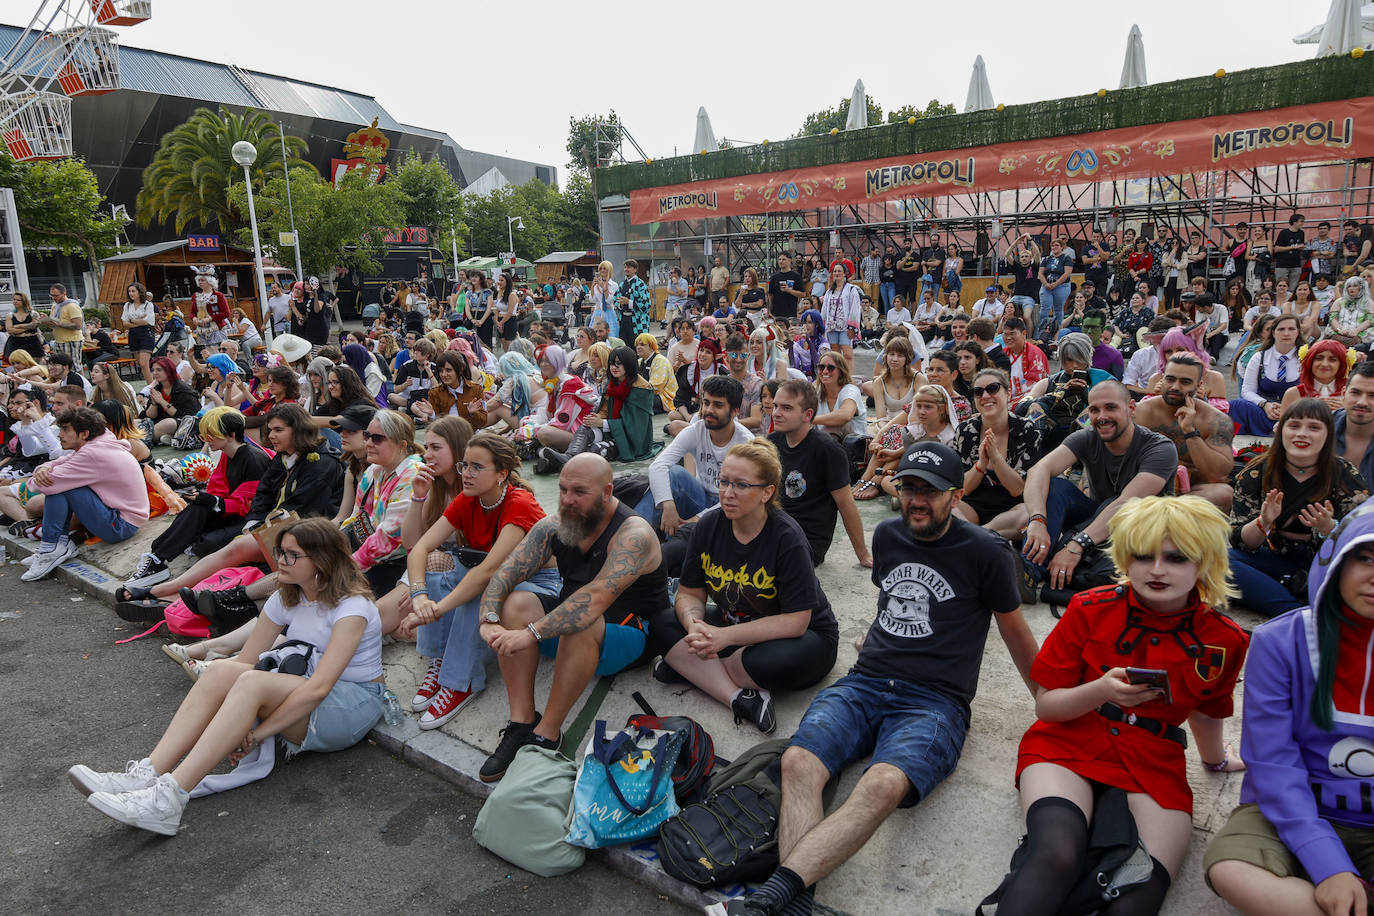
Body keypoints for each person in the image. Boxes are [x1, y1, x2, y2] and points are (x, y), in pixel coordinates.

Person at [718, 442, 1039, 916]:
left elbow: (1014, 632)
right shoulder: (889, 535)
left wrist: (1046, 698)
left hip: (935, 701)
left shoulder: (985, 552)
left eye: (930, 490)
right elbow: (891, 599)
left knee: (882, 785)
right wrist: (876, 638)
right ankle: (793, 903)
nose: (917, 499)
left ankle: (772, 896)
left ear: (955, 494)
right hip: (866, 682)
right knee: (800, 764)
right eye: (909, 487)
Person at [987, 496, 1247, 916]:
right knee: (1056, 854)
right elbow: (1047, 707)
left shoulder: (1226, 638)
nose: (1157, 570)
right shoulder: (1090, 608)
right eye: (1143, 556)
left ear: (1205, 563)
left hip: (1154, 758)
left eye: (1177, 558)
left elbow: (1207, 710)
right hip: (1068, 741)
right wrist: (1101, 691)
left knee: (1138, 893)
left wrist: (1216, 762)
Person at [70, 518, 385, 837]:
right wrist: (239, 716)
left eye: (291, 555)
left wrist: (259, 734)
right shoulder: (288, 594)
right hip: (304, 686)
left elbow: (319, 689)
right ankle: (148, 773)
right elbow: (247, 661)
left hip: (351, 703)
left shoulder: (352, 607)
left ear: (321, 561)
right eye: (280, 551)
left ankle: (169, 798)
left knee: (249, 681)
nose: (279, 561)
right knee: (222, 669)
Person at [1205, 505, 1374, 916]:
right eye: (1365, 558)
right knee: (1231, 869)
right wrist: (1329, 864)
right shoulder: (1280, 641)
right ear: (1336, 557)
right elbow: (1272, 762)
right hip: (1291, 809)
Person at [475, 453, 667, 782]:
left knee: (582, 620)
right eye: (563, 489)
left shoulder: (634, 534)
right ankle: (522, 722)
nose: (567, 499)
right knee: (514, 605)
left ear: (607, 492)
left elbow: (593, 601)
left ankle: (548, 734)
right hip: (571, 629)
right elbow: (506, 571)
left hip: (630, 635)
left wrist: (530, 633)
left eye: (579, 492)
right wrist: (489, 618)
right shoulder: (555, 525)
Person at [650, 438, 838, 733]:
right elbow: (689, 593)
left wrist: (722, 638)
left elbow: (797, 621)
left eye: (740, 485)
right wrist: (694, 623)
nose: (727, 493)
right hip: (734, 625)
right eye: (724, 482)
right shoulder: (708, 527)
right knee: (662, 622)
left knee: (765, 663)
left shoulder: (787, 537)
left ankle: (694, 669)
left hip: (801, 636)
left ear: (767, 492)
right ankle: (739, 698)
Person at [400, 434, 555, 729]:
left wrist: (436, 609)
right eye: (464, 466)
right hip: (495, 576)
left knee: (479, 587)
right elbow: (419, 547)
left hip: (539, 582)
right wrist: (420, 596)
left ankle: (462, 681)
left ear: (501, 474)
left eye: (476, 467)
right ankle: (441, 659)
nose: (466, 474)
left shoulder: (519, 503)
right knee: (433, 569)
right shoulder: (468, 499)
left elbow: (487, 572)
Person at [1022, 380, 1179, 595]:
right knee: (1057, 487)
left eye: (1111, 407)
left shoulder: (1160, 448)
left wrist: (1076, 545)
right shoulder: (1086, 437)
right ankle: (1029, 571)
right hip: (1098, 518)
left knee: (1114, 502)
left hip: (1141, 526)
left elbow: (1126, 503)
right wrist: (1037, 520)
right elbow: (1038, 471)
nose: (1102, 416)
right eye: (1094, 410)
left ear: (1131, 409)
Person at [1229, 398, 1369, 618]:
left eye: (1314, 427)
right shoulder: (1257, 472)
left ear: (1327, 434)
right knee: (1222, 561)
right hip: (1279, 562)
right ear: (1281, 430)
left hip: (1327, 564)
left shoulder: (1343, 473)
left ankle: (1289, 600)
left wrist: (1330, 528)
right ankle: (1294, 610)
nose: (1302, 434)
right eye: (1294, 426)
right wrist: (1263, 522)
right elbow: (1240, 542)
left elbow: (1363, 535)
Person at [123, 407, 272, 589]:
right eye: (204, 436)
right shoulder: (228, 455)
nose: (207, 441)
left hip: (253, 522)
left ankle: (164, 556)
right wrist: (207, 499)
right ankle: (157, 558)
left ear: (231, 435)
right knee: (197, 508)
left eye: (211, 436)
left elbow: (251, 505)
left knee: (206, 543)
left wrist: (213, 501)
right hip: (233, 514)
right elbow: (218, 490)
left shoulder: (254, 459)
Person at [22, 407, 149, 582]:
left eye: (65, 430)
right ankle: (55, 546)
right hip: (123, 519)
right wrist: (43, 468)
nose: (60, 435)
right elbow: (60, 462)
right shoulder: (99, 444)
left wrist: (39, 475)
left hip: (120, 526)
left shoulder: (92, 454)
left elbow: (38, 486)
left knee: (60, 486)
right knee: (61, 484)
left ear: (84, 434)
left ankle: (50, 548)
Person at [768, 379, 872, 567]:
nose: (776, 413)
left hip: (805, 541)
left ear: (807, 415)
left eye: (786, 408)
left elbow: (846, 503)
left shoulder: (827, 450)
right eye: (775, 406)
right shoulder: (772, 442)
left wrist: (863, 554)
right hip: (774, 527)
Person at [640, 375, 753, 536]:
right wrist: (668, 504)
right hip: (699, 496)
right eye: (706, 403)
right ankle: (637, 531)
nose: (708, 410)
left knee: (683, 538)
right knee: (674, 475)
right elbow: (658, 466)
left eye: (718, 405)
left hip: (729, 507)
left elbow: (743, 496)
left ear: (735, 411)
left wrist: (699, 518)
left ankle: (660, 537)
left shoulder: (745, 443)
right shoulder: (697, 429)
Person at [953, 368, 1046, 536]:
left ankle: (975, 536)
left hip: (1012, 506)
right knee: (944, 505)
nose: (986, 396)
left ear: (1008, 393)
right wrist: (981, 463)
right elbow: (964, 488)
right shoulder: (965, 430)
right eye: (978, 392)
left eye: (993, 388)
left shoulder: (1027, 430)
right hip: (972, 504)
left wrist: (996, 458)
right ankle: (983, 537)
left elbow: (1017, 489)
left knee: (1027, 516)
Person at [1232, 313, 1304, 436]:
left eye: (1291, 329)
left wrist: (1288, 409)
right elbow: (1247, 390)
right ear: (1273, 332)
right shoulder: (1259, 357)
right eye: (1281, 329)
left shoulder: (1307, 357)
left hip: (1297, 412)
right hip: (1266, 411)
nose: (1286, 333)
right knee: (1236, 405)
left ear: (1298, 332)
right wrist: (1265, 405)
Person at [1280, 339, 1355, 415]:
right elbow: (1284, 425)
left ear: (1341, 364)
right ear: (1310, 362)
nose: (1324, 364)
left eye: (1332, 359)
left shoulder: (1352, 393)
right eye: (1319, 358)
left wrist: (1347, 412)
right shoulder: (1293, 394)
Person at [1334, 361, 1374, 487]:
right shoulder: (1318, 427)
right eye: (1355, 393)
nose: (1362, 402)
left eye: (1372, 396)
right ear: (1343, 394)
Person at [812, 351, 867, 440]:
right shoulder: (816, 391)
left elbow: (846, 415)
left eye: (830, 368)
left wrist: (810, 419)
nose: (825, 371)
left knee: (836, 426)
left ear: (841, 371)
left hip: (853, 444)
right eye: (821, 367)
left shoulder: (850, 390)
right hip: (824, 440)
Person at [818, 263, 861, 364]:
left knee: (847, 354)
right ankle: (837, 377)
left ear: (845, 274)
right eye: (835, 271)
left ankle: (849, 378)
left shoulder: (851, 289)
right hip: (832, 326)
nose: (837, 273)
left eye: (839, 271)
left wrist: (852, 328)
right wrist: (822, 325)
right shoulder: (829, 291)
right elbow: (824, 309)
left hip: (845, 327)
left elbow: (855, 308)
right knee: (835, 355)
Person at [121, 282, 157, 385]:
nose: (131, 293)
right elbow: (124, 322)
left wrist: (132, 320)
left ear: (139, 292)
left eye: (133, 291)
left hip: (146, 333)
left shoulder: (147, 304)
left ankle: (151, 388)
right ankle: (150, 384)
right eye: (129, 291)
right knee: (141, 365)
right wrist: (137, 322)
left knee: (144, 362)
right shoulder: (127, 305)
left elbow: (147, 321)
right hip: (133, 334)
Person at [1324, 275, 1374, 348]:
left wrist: (1356, 331)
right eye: (1349, 286)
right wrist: (1339, 329)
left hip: (1359, 333)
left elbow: (1370, 320)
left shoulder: (1368, 302)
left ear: (1362, 288)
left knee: (1357, 344)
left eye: (1355, 286)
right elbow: (1333, 318)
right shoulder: (1339, 301)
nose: (1351, 288)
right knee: (1332, 343)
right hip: (1339, 331)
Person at [768, 252, 805, 320]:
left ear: (789, 260)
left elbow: (802, 294)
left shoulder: (795, 276)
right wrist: (769, 310)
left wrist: (789, 290)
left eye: (783, 259)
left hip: (790, 312)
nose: (781, 261)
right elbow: (770, 295)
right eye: (779, 259)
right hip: (776, 313)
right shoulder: (774, 277)